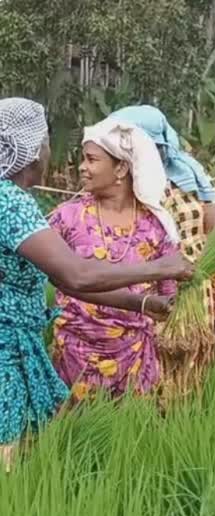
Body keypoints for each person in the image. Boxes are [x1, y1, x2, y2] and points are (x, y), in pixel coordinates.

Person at [0, 98, 191, 469]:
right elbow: (76, 273)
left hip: (26, 348)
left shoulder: (11, 200)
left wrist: (143, 305)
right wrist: (160, 268)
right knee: (10, 461)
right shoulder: (13, 202)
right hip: (8, 352)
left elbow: (63, 280)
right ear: (34, 148)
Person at [106, 105, 215, 401]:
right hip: (138, 291)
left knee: (187, 369)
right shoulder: (117, 178)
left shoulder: (190, 174)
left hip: (193, 288)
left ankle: (181, 430)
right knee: (140, 374)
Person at [49, 119, 186, 403]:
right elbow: (46, 274)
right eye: (82, 159)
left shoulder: (156, 226)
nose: (82, 167)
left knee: (128, 439)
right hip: (74, 353)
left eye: (91, 160)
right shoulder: (67, 217)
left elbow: (169, 291)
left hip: (133, 355)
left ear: (121, 168)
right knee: (71, 439)